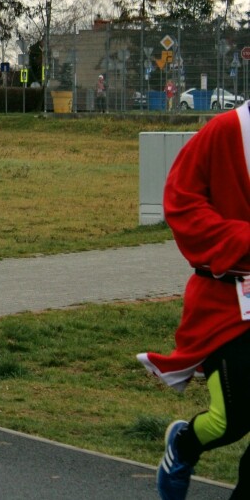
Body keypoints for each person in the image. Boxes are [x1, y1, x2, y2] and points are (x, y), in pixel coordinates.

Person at [137, 103, 250, 499]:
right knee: (229, 421)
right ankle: (184, 445)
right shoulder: (226, 130)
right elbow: (181, 201)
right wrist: (240, 239)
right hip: (227, 306)